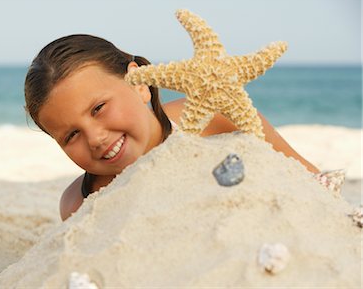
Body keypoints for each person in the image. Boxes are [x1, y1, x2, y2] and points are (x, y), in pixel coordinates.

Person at [24, 34, 319, 221]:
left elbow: (310, 178)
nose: (96, 138)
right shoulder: (79, 203)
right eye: (71, 135)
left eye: (98, 109)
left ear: (139, 84)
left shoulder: (214, 115)